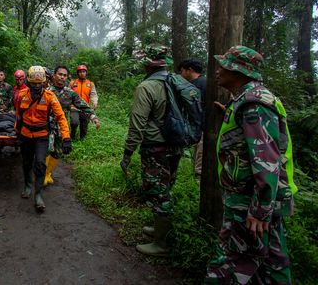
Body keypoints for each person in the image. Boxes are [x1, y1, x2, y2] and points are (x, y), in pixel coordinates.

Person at [205, 46, 296, 284]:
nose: (218, 70)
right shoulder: (247, 102)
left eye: (224, 66)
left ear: (239, 71)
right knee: (272, 265)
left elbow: (266, 161)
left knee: (227, 265)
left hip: (249, 205)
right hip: (261, 201)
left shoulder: (254, 105)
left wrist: (259, 210)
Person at [120, 44, 184, 257]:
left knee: (158, 192)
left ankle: (162, 244)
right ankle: (159, 230)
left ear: (147, 63)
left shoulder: (146, 87)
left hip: (155, 147)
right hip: (176, 144)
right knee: (167, 186)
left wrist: (128, 153)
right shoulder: (177, 82)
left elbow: (137, 124)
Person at [14, 66, 71, 212]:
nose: (36, 86)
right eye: (33, 84)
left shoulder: (50, 97)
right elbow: (18, 114)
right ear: (29, 82)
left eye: (39, 84)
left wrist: (66, 137)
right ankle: (28, 185)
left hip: (41, 136)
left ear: (44, 83)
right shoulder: (21, 95)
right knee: (26, 162)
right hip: (25, 135)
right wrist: (17, 131)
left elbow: (61, 117)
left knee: (40, 163)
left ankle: (38, 195)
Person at [45, 66, 101, 185]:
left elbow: (83, 105)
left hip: (62, 127)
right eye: (60, 74)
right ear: (54, 75)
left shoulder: (70, 93)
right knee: (45, 150)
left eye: (64, 75)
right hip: (46, 126)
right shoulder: (46, 91)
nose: (62, 77)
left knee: (57, 152)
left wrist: (93, 117)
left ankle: (48, 173)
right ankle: (42, 174)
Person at [178, 58, 206, 179]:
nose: (181, 74)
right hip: (199, 127)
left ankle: (198, 182)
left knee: (200, 157)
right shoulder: (206, 82)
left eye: (182, 71)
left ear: (189, 70)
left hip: (202, 127)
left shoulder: (195, 85)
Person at [70, 65, 99, 139]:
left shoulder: (90, 84)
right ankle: (72, 135)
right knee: (74, 122)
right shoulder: (72, 83)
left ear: (86, 73)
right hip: (74, 107)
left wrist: (94, 101)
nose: (82, 73)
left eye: (83, 72)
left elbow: (93, 94)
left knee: (84, 126)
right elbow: (68, 94)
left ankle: (82, 139)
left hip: (85, 108)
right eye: (80, 72)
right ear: (77, 73)